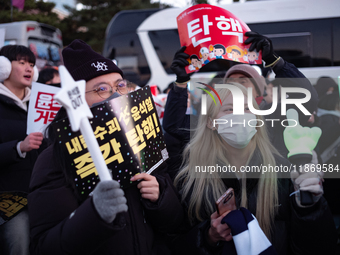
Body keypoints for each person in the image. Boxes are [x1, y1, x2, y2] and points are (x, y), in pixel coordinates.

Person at [28, 39, 184, 255]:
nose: (114, 94)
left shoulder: (142, 140)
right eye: (101, 89)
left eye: (119, 85)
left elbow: (175, 225)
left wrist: (161, 196)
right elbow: (45, 247)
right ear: (76, 100)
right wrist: (94, 214)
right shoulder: (55, 158)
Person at [171, 82, 337, 255]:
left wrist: (310, 208)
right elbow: (176, 244)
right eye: (229, 109)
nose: (241, 116)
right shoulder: (191, 179)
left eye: (247, 108)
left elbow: (319, 246)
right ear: (211, 122)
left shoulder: (284, 171)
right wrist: (208, 237)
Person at [0, 45, 44, 255]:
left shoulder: (41, 103)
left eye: (32, 64)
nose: (29, 68)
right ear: (3, 67)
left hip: (42, 193)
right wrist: (18, 148)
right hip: (8, 200)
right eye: (22, 62)